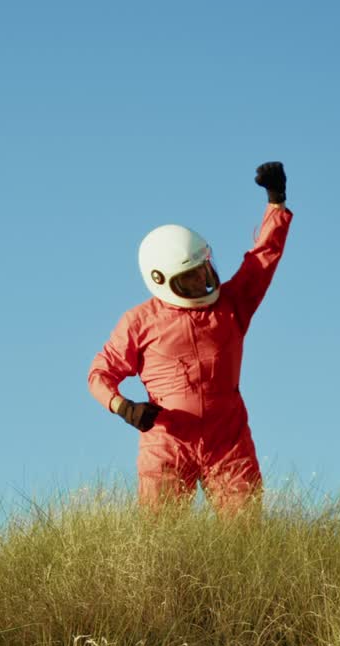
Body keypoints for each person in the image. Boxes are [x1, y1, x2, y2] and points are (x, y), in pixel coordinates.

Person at [87, 162, 293, 511]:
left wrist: (276, 202)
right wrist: (124, 407)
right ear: (161, 279)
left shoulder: (232, 305)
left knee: (245, 542)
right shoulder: (140, 321)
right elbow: (99, 375)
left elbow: (263, 259)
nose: (200, 281)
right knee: (160, 542)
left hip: (228, 438)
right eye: (190, 277)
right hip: (167, 441)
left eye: (203, 270)